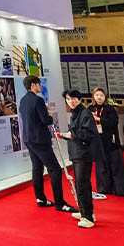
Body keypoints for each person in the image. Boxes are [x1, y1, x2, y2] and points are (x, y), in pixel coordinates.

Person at [18, 75, 77, 213]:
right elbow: (46, 120)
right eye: (39, 84)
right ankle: (60, 203)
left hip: (29, 139)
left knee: (37, 167)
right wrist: (49, 116)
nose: (41, 87)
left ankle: (41, 199)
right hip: (40, 140)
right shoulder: (38, 100)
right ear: (33, 85)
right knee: (55, 169)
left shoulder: (23, 100)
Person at [58, 90, 99, 228]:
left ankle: (88, 217)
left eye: (74, 98)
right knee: (80, 184)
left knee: (82, 184)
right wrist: (65, 135)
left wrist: (72, 135)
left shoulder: (85, 113)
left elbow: (88, 134)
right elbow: (75, 132)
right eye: (68, 99)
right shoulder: (75, 113)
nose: (71, 101)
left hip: (84, 153)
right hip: (77, 153)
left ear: (79, 99)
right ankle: (85, 212)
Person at [90, 88, 124, 196]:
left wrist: (98, 119)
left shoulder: (110, 109)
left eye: (101, 95)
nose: (99, 97)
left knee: (116, 166)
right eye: (97, 95)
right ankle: (104, 189)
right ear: (93, 97)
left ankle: (120, 190)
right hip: (98, 142)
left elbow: (113, 122)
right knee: (101, 167)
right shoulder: (90, 109)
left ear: (105, 97)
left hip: (112, 141)